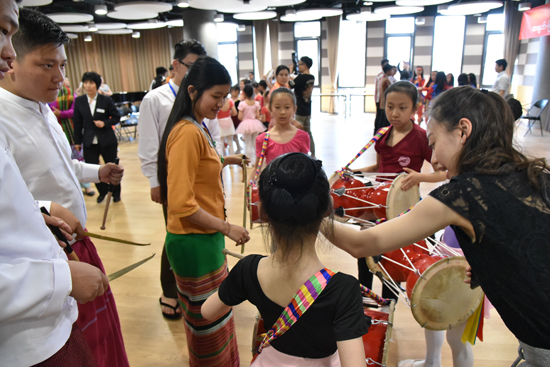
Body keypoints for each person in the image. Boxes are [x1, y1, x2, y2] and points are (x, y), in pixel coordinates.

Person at [323, 86, 550, 367]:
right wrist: (495, 262)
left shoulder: (463, 194)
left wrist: (312, 216)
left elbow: (362, 244)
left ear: (462, 131)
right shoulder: (535, 175)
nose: (434, 158)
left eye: (433, 142)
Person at [0, 8, 128, 366]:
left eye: (62, 65)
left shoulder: (44, 109)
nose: (60, 77)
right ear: (13, 61)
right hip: (43, 265)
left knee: (103, 341)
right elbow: (15, 201)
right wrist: (45, 207)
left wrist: (96, 174)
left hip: (73, 247)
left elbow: (61, 167)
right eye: (47, 65)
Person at [202, 152, 369, 367]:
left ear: (261, 212)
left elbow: (208, 312)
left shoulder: (248, 269)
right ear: (328, 208)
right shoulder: (343, 290)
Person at [157, 56, 250, 367]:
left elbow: (200, 168)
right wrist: (227, 228)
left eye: (225, 96)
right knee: (207, 328)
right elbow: (183, 205)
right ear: (193, 91)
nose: (222, 104)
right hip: (193, 242)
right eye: (216, 96)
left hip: (204, 238)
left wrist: (229, 160)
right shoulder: (186, 132)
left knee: (216, 320)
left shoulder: (197, 126)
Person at [349, 81, 446, 300]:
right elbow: (378, 167)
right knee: (365, 253)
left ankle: (388, 305)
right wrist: (355, 172)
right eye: (390, 106)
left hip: (405, 207)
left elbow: (445, 172)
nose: (394, 113)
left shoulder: (422, 137)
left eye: (402, 108)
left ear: (415, 109)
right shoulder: (382, 134)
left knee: (392, 259)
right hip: (376, 205)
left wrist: (419, 177)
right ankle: (363, 299)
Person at [138, 39, 209, 319]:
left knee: (198, 233)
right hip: (171, 181)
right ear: (177, 65)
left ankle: (196, 285)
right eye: (192, 67)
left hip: (200, 179)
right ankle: (169, 292)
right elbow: (148, 143)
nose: (196, 73)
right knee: (176, 235)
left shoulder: (199, 95)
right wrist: (154, 182)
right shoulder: (155, 99)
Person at [73, 71, 122, 204]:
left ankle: (116, 193)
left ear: (97, 85)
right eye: (86, 83)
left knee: (112, 167)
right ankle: (103, 191)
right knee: (93, 168)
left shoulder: (106, 100)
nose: (88, 86)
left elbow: (116, 117)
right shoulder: (79, 101)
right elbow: (77, 123)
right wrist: (77, 141)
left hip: (107, 139)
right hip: (89, 141)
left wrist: (104, 123)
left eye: (91, 83)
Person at [49, 77, 96, 197]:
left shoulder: (70, 94)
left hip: (71, 131)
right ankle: (73, 187)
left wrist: (61, 114)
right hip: (56, 131)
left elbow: (75, 112)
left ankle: (87, 186)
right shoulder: (47, 95)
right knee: (63, 160)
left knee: (78, 158)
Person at [254, 88, 310, 175]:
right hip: (272, 187)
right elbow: (256, 169)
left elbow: (306, 167)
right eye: (277, 107)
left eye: (287, 107)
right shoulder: (262, 139)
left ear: (294, 109)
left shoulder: (303, 137)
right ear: (270, 109)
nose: (282, 112)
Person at [293, 56, 316, 157]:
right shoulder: (311, 77)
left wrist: (289, 72)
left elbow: (290, 84)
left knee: (299, 134)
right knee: (308, 132)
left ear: (305, 65)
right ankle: (313, 154)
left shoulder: (301, 78)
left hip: (300, 110)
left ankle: (302, 154)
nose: (298, 66)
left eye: (299, 64)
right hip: (308, 110)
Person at [236, 84, 265, 162]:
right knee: (255, 144)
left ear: (244, 93)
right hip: (255, 124)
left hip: (246, 124)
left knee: (248, 143)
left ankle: (249, 162)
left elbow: (240, 117)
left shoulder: (242, 104)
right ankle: (256, 161)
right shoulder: (256, 103)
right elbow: (258, 116)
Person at [374, 63, 394, 133]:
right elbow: (390, 91)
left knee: (381, 119)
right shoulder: (386, 80)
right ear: (388, 71)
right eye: (392, 70)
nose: (393, 72)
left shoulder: (384, 78)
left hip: (382, 102)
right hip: (385, 102)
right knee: (384, 121)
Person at [217, 91, 237, 155]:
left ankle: (221, 161)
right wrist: (229, 113)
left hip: (220, 122)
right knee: (230, 143)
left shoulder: (218, 102)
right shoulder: (230, 101)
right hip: (228, 121)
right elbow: (235, 112)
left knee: (221, 143)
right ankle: (232, 162)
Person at [229, 84, 243, 154]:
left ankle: (238, 147)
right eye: (231, 92)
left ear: (237, 92)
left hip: (236, 119)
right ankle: (239, 147)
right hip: (231, 119)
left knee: (235, 135)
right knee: (233, 135)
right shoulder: (230, 100)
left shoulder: (239, 100)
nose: (231, 93)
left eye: (233, 91)